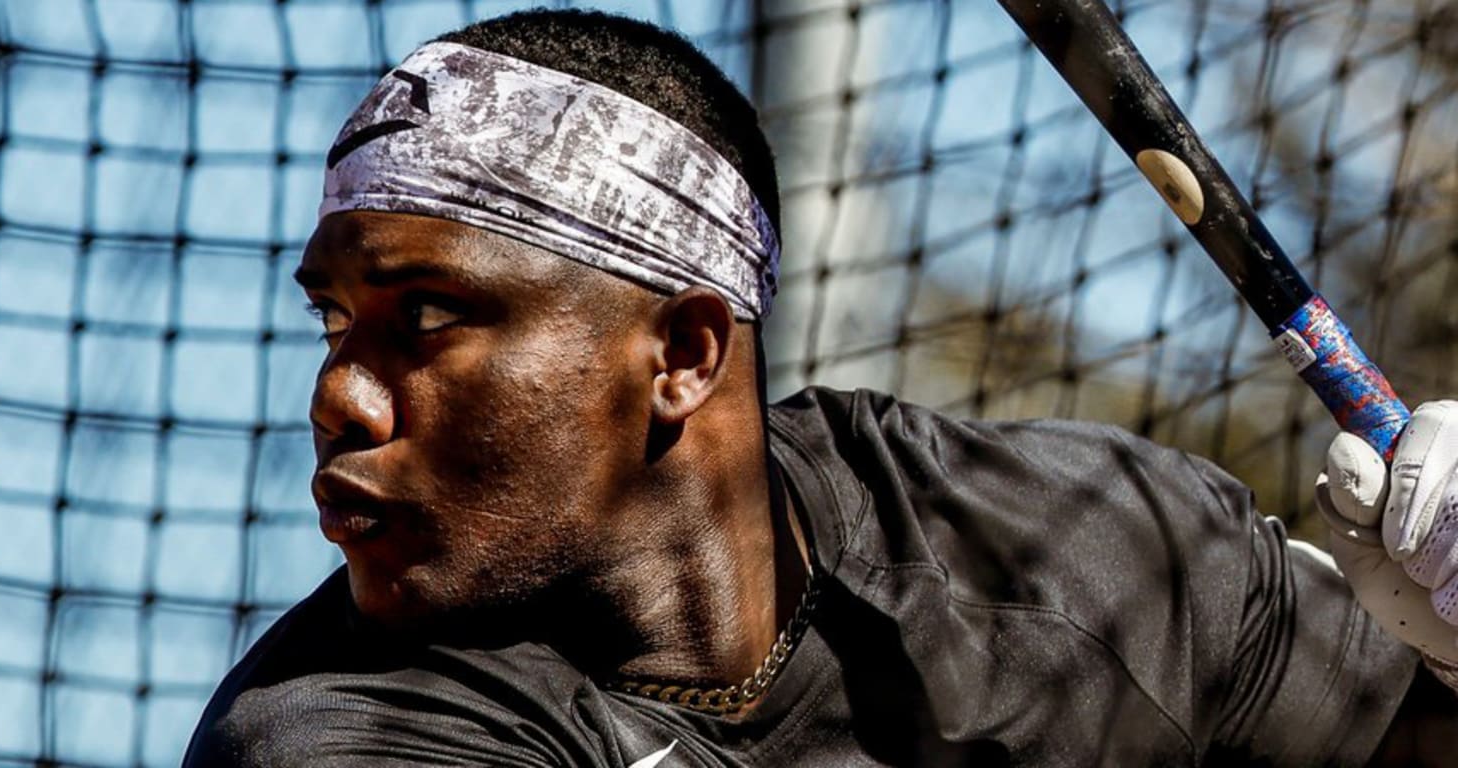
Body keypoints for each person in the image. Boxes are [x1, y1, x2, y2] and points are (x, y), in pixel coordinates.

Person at [183, 9, 1458, 766]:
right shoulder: (340, 733)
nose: (342, 397)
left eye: (427, 319)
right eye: (335, 324)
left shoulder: (1100, 553)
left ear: (680, 355)